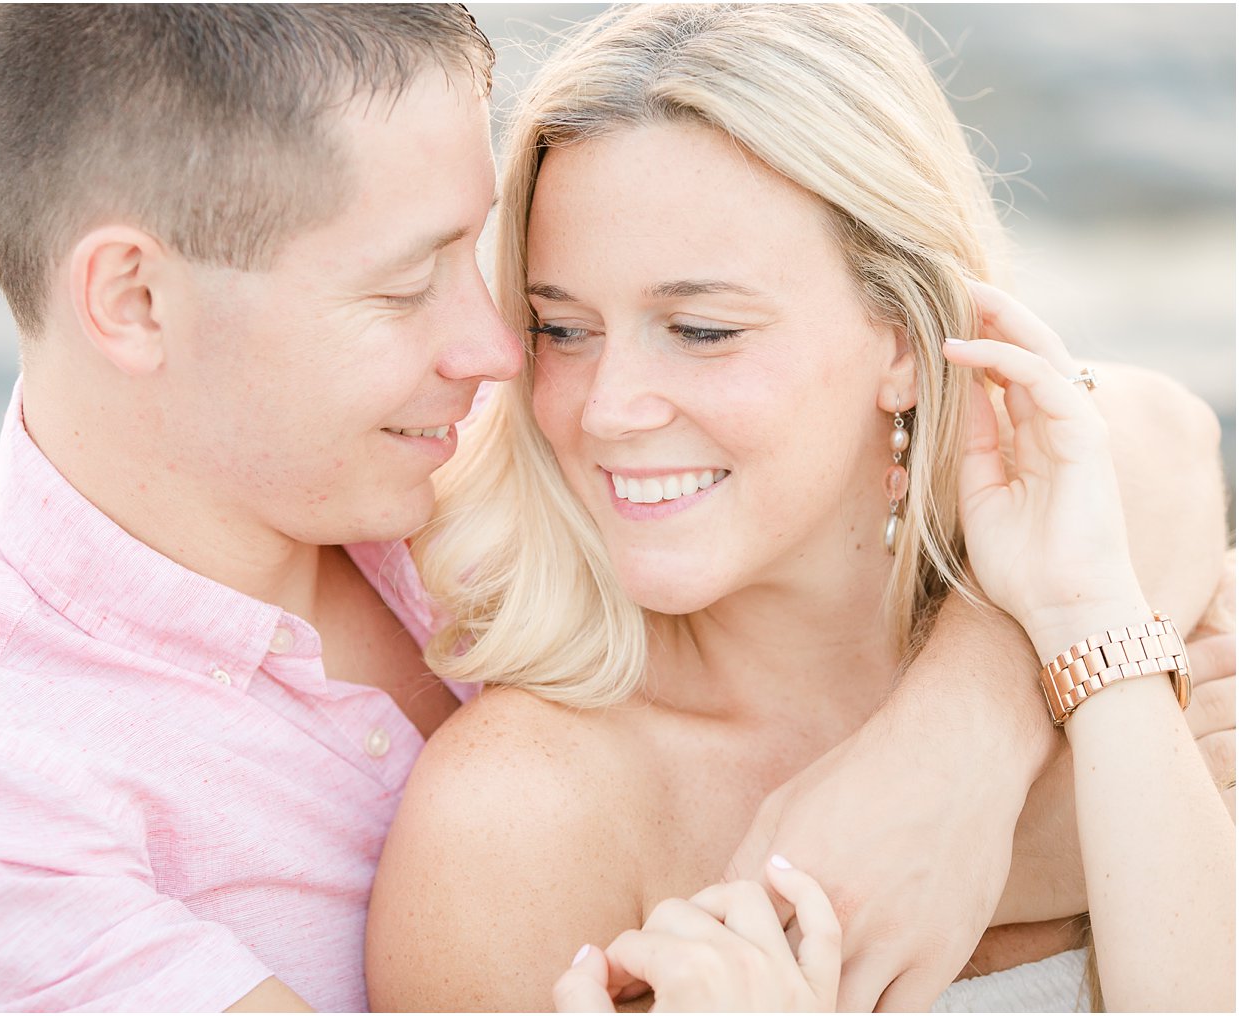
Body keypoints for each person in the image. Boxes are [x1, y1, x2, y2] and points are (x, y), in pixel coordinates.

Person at [0, 5, 1228, 1013]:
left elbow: (1112, 428)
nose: (506, 348)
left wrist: (967, 746)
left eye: (485, 262)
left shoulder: (458, 454)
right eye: (404, 285)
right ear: (131, 296)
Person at [365, 5, 1234, 1012]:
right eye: (562, 328)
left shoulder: (1135, 632)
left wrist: (1044, 696)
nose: (605, 409)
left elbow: (1151, 421)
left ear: (904, 340)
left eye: (699, 329)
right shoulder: (517, 819)